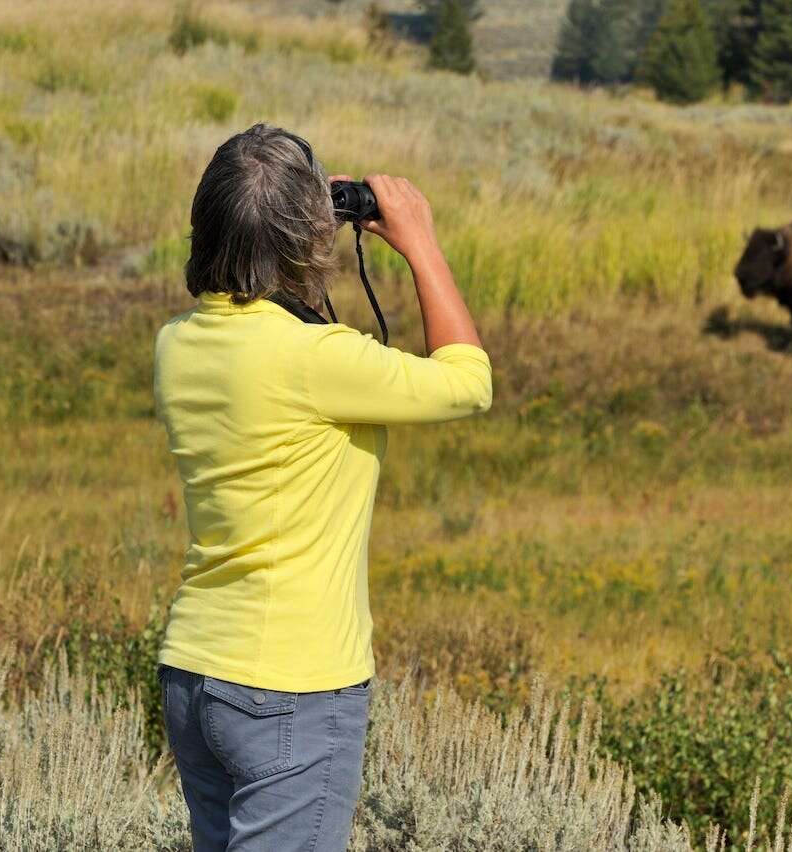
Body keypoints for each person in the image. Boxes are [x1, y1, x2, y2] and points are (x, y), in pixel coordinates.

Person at [152, 123, 492, 851]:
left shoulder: (177, 341)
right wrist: (420, 241)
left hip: (194, 671)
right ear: (313, 236)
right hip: (293, 685)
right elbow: (469, 383)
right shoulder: (315, 359)